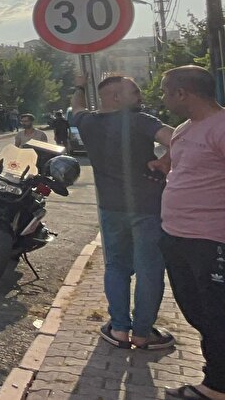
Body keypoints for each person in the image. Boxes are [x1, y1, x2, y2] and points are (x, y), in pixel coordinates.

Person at [70, 74, 176, 350]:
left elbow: (76, 107)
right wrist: (164, 161)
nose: (140, 97)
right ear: (117, 97)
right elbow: (179, 139)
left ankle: (118, 329)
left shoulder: (88, 123)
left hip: (110, 208)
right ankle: (142, 333)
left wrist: (80, 85)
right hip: (148, 207)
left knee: (116, 267)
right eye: (134, 92)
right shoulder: (142, 121)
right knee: (149, 269)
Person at [157, 66, 225, 399]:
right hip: (176, 236)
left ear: (182, 93)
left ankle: (215, 387)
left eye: (166, 91)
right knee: (195, 310)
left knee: (217, 313)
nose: (163, 98)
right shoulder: (185, 128)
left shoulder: (222, 128)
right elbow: (176, 166)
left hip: (211, 240)